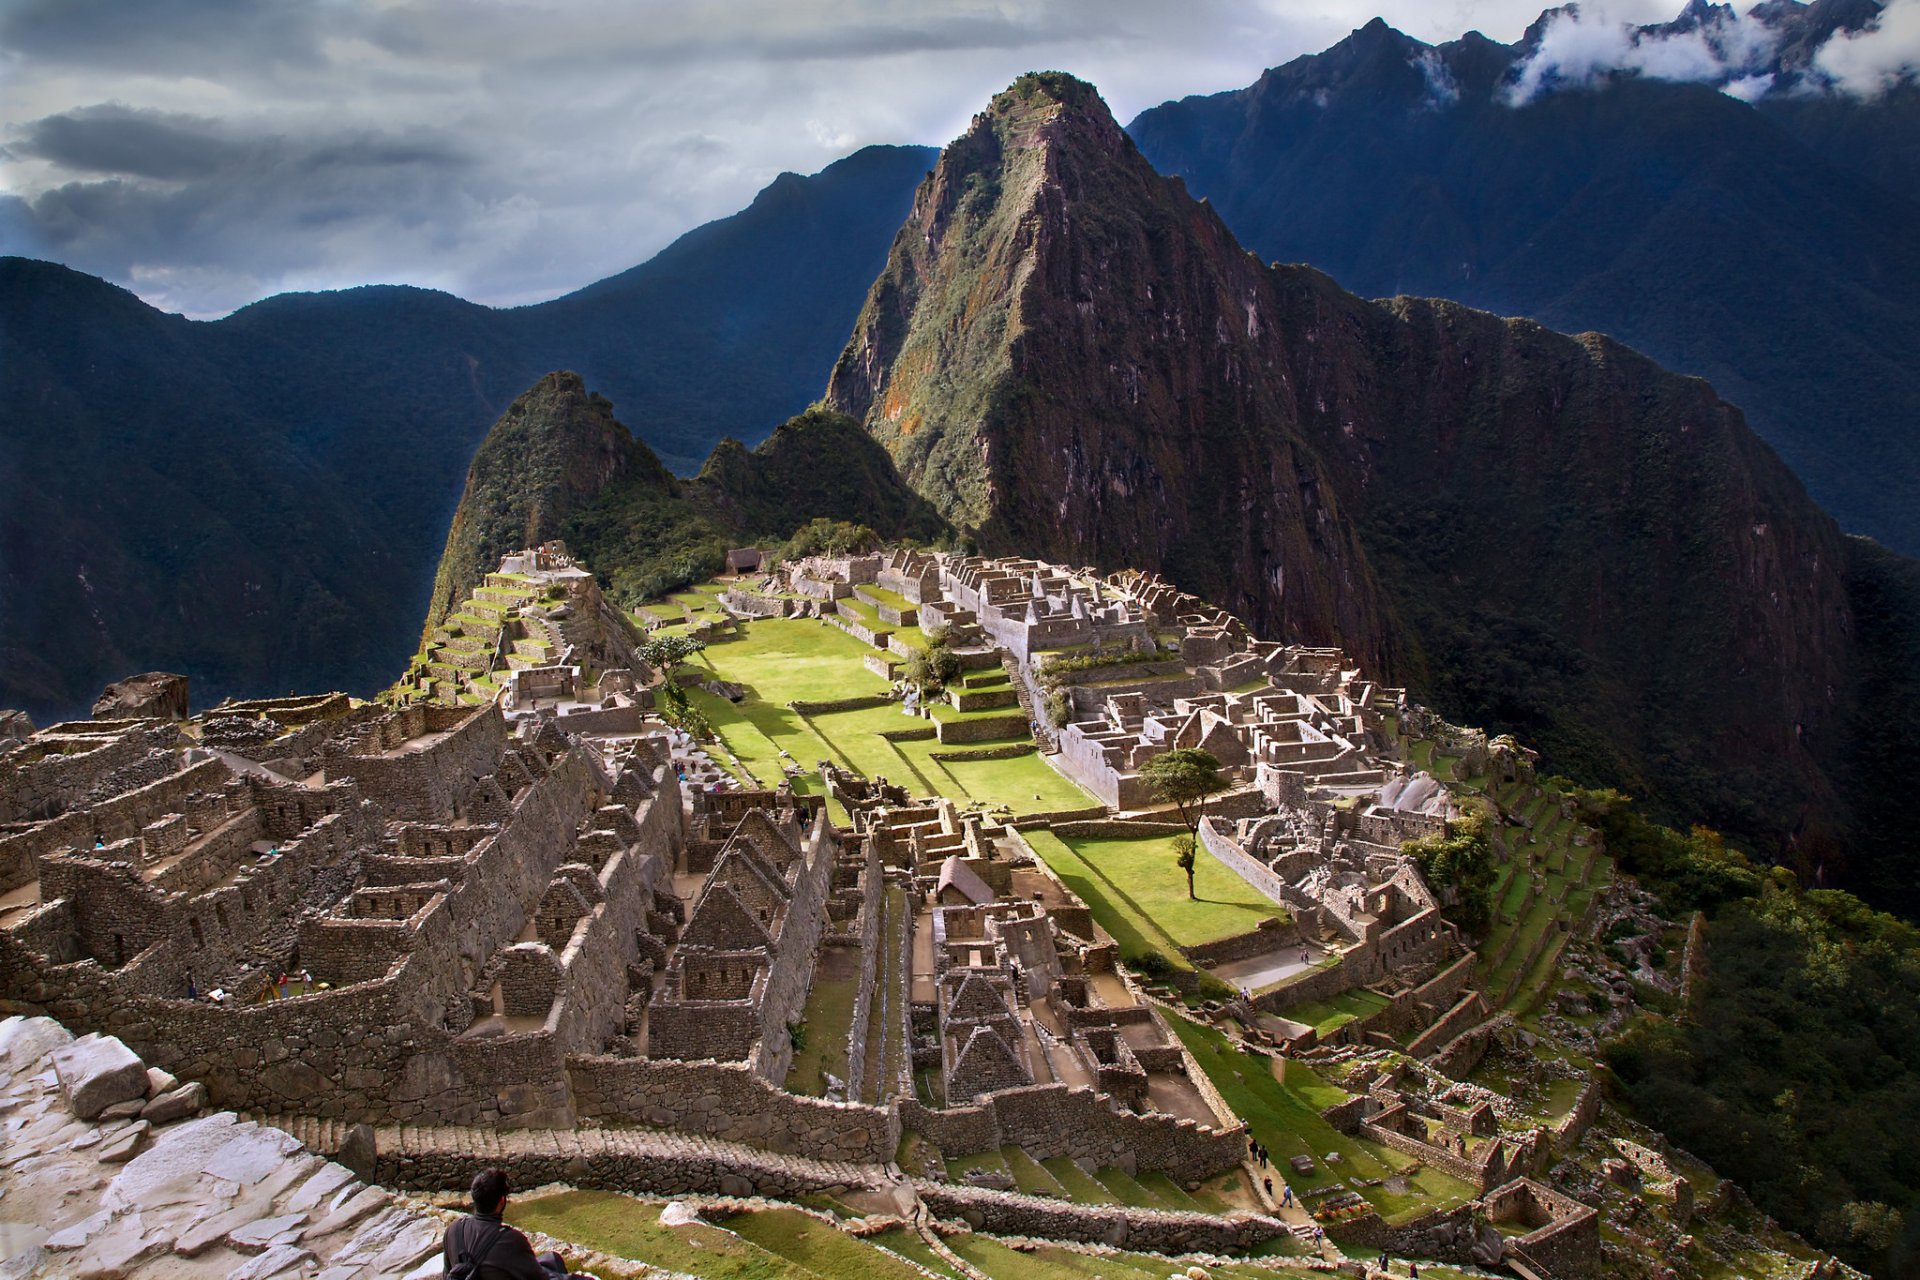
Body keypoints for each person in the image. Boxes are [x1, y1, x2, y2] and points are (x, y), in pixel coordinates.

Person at [443, 1168, 567, 1279]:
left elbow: (447, 1274)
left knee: (549, 1260)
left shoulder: (454, 1230)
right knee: (553, 1260)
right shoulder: (510, 1240)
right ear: (502, 1200)